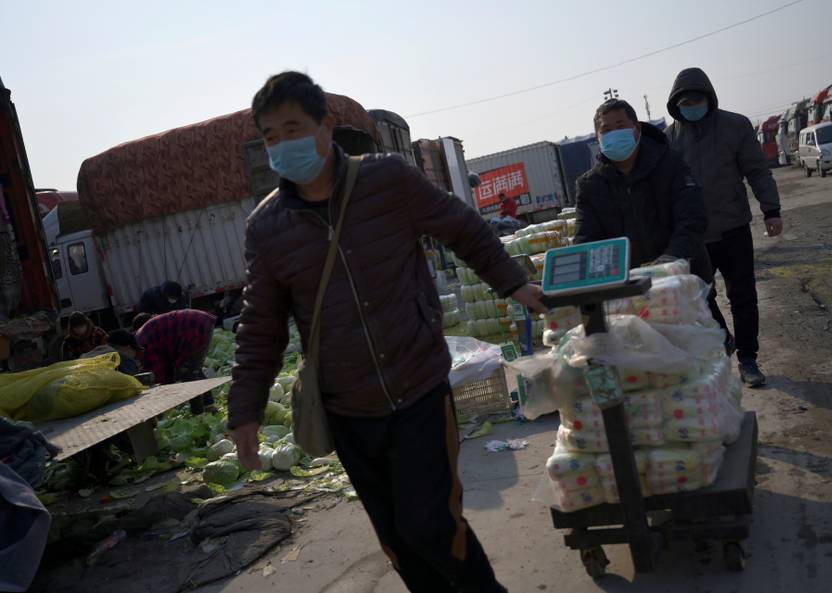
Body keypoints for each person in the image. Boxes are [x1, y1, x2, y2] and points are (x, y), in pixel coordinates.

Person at [228, 71, 546, 593]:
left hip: (417, 384)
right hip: (348, 407)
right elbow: (259, 324)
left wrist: (513, 284)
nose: (282, 144)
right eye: (270, 136)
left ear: (325, 126)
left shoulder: (386, 180)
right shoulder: (266, 227)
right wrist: (245, 410)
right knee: (399, 541)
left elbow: (461, 227)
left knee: (432, 525)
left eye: (293, 127)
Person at [664, 68, 783, 387]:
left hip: (733, 227)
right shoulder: (670, 138)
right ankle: (723, 340)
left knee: (743, 295)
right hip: (694, 236)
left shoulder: (735, 126)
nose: (692, 106)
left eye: (697, 99)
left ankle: (748, 359)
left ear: (709, 98)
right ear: (676, 105)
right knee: (700, 297)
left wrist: (771, 209)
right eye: (685, 102)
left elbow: (757, 170)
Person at [574, 99, 711, 281]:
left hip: (684, 279)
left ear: (636, 129)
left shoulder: (671, 164)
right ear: (598, 138)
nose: (614, 134)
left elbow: (693, 218)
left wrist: (671, 260)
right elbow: (586, 242)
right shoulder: (589, 186)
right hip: (629, 290)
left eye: (620, 126)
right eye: (606, 130)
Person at [134, 309, 217, 413]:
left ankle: (199, 412)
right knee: (193, 369)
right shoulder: (143, 337)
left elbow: (159, 372)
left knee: (189, 373)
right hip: (199, 322)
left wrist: (165, 394)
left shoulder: (143, 344)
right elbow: (167, 366)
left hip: (194, 328)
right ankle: (209, 406)